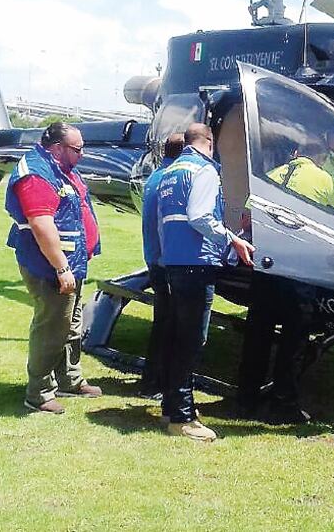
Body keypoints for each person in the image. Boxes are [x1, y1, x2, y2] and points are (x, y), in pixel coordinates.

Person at [236, 140, 334, 423]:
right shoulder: (323, 179)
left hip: (266, 268)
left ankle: (245, 399)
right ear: (319, 158)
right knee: (293, 341)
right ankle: (284, 404)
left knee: (257, 337)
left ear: (295, 155)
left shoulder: (269, 177)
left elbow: (246, 221)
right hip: (299, 272)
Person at [158, 123, 255, 441]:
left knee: (178, 336)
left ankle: (173, 406)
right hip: (196, 263)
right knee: (191, 340)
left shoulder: (172, 171)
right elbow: (200, 217)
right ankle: (181, 418)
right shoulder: (204, 170)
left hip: (174, 261)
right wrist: (232, 240)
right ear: (210, 143)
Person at [6, 122, 103, 414]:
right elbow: (40, 223)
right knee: (52, 327)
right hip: (49, 264)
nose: (82, 154)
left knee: (71, 325)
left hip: (70, 262)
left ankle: (69, 379)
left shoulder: (60, 168)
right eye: (77, 149)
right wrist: (61, 268)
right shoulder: (36, 173)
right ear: (57, 148)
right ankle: (39, 392)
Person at [137, 133, 185, 398]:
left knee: (163, 323)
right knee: (167, 325)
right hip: (165, 263)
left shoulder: (157, 177)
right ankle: (156, 382)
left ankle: (154, 380)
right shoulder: (169, 179)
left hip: (156, 259)